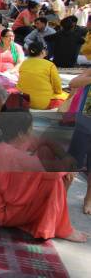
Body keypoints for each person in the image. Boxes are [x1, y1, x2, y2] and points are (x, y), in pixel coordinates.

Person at [0, 110, 86, 242]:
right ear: (21, 134)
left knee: (44, 151)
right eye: (30, 129)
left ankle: (54, 215)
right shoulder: (16, 156)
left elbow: (46, 141)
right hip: (3, 215)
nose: (32, 132)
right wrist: (68, 168)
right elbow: (55, 174)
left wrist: (65, 156)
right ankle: (61, 228)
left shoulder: (3, 143)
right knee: (56, 182)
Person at [16, 42, 68, 110]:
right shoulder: (50, 65)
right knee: (68, 97)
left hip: (25, 101)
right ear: (43, 51)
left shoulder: (24, 63)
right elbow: (57, 87)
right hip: (42, 104)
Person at [67, 69, 91, 214]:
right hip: (84, 123)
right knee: (72, 163)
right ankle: (61, 197)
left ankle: (88, 199)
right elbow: (73, 83)